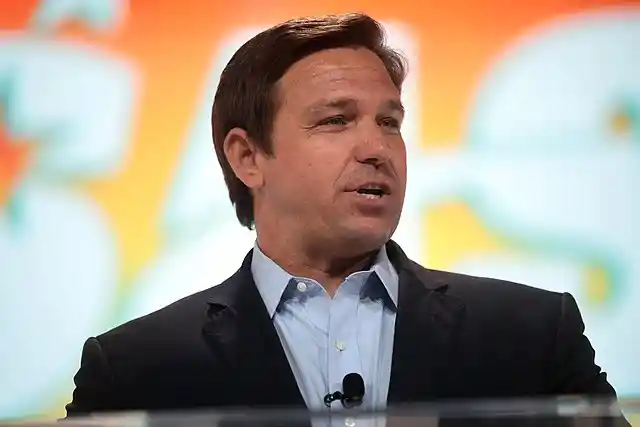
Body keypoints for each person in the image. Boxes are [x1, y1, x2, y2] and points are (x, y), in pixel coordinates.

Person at [65, 12, 624, 421]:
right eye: (336, 120)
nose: (377, 148)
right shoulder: (135, 369)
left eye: (389, 122)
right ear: (248, 157)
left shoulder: (531, 335)